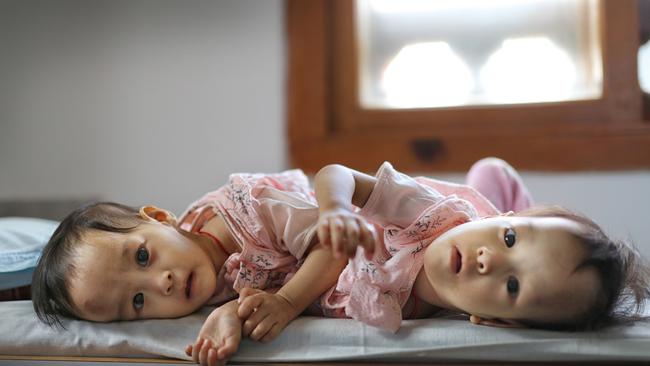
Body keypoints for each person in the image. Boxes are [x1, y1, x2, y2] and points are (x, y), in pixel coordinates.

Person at [32, 158, 649, 366]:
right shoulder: (428, 214)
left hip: (295, 229)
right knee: (476, 201)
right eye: (137, 303)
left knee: (498, 213)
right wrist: (334, 207)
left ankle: (504, 200)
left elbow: (276, 295)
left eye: (512, 289)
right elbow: (338, 182)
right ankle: (500, 197)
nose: (489, 265)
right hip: (327, 215)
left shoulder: (464, 309)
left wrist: (260, 308)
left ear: (499, 324)